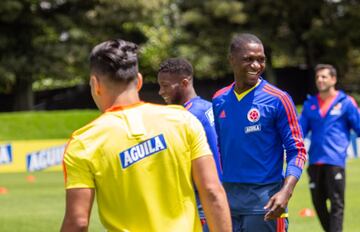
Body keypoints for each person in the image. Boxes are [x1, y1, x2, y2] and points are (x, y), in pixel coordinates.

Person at [60, 39, 231, 232]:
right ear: (139, 81)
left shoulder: (83, 142)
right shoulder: (183, 120)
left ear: (95, 84)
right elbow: (212, 192)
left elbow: (78, 222)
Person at [212, 33, 307, 232]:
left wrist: (285, 192)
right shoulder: (219, 99)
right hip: (228, 201)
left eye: (261, 59)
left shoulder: (279, 99)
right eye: (248, 59)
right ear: (231, 60)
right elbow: (219, 149)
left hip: (265, 203)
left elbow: (297, 151)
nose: (256, 65)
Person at [157, 57, 222, 231]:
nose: (160, 91)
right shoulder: (209, 107)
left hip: (200, 202)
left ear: (184, 83)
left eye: (165, 85)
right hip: (222, 196)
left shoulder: (184, 117)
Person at [299, 64, 360, 232]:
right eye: (318, 77)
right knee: (318, 204)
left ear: (333, 79)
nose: (320, 80)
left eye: (324, 76)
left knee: (336, 205)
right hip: (315, 161)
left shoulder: (346, 103)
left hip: (335, 161)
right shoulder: (310, 104)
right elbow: (299, 131)